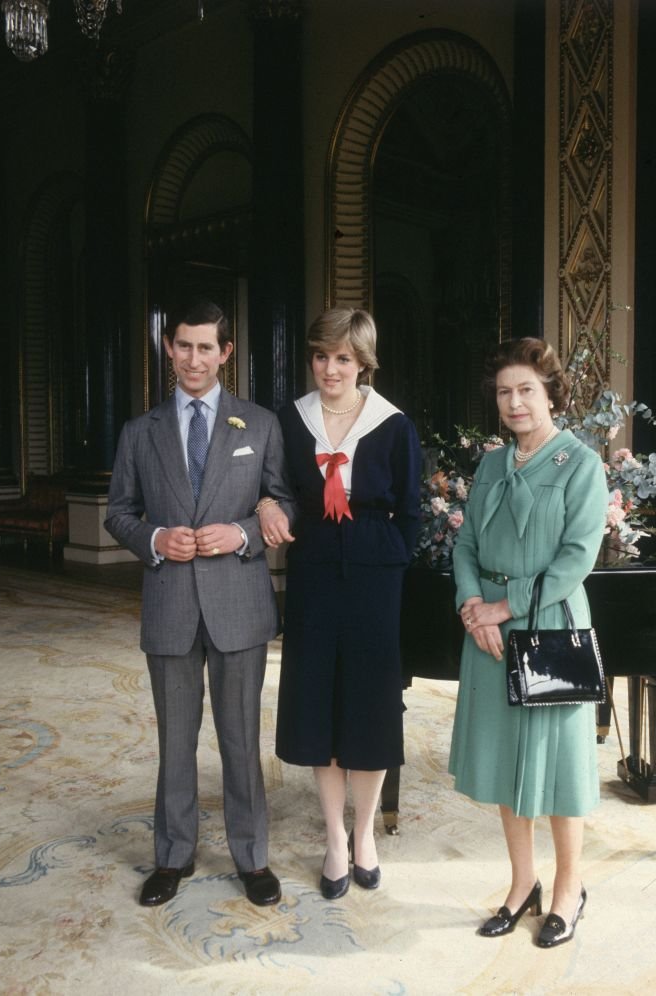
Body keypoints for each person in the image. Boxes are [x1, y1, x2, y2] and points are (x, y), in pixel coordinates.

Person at [105, 295, 295, 909]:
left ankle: (252, 857)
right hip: (170, 607)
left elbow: (284, 503)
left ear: (225, 353)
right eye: (183, 346)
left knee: (241, 740)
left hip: (238, 605)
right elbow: (118, 513)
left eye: (205, 348)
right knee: (175, 742)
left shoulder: (259, 425)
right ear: (168, 348)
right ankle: (173, 855)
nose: (193, 359)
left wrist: (241, 533)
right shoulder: (140, 432)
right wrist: (155, 539)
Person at [449, 336, 607, 948]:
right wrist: (474, 608)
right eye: (503, 392)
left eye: (526, 391)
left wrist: (504, 606)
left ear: (551, 395)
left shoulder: (581, 464)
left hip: (551, 629)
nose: (514, 402)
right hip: (488, 633)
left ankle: (569, 889)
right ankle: (523, 885)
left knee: (559, 768)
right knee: (502, 761)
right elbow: (466, 545)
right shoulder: (492, 464)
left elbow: (575, 560)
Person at [263, 308, 421, 900]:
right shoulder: (291, 419)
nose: (331, 369)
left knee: (369, 703)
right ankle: (334, 837)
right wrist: (265, 506)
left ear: (364, 363)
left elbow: (410, 510)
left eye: (344, 358)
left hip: (375, 572)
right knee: (319, 701)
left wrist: (387, 557)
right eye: (322, 356)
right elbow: (274, 488)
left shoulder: (393, 425)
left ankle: (364, 833)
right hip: (313, 568)